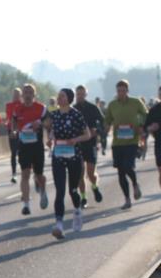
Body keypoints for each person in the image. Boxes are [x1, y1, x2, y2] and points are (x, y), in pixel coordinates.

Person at [47, 88, 91, 238]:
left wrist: (75, 140)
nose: (59, 98)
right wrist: (50, 138)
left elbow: (87, 135)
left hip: (74, 155)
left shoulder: (76, 115)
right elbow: (52, 130)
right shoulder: (54, 114)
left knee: (73, 189)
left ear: (69, 99)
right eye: (58, 96)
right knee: (59, 191)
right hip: (58, 155)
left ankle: (77, 211)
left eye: (62, 96)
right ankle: (59, 224)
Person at [104, 79, 148, 210]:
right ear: (116, 91)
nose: (121, 93)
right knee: (120, 172)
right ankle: (127, 199)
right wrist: (105, 130)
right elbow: (107, 120)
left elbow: (145, 114)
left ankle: (135, 184)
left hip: (132, 141)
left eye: (123, 90)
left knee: (128, 166)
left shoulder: (135, 102)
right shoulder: (112, 105)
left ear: (127, 91)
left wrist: (141, 126)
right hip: (117, 142)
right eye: (119, 91)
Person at [10, 84, 49, 215]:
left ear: (34, 95)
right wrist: (14, 131)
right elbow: (13, 122)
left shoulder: (41, 108)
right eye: (25, 92)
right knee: (25, 173)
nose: (27, 94)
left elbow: (49, 123)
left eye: (30, 92)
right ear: (22, 95)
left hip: (37, 146)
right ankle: (26, 204)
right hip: (24, 146)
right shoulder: (18, 109)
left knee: (39, 175)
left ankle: (43, 191)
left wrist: (41, 124)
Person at [73, 85, 104, 207]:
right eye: (78, 94)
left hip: (90, 143)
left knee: (91, 172)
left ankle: (95, 187)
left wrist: (97, 130)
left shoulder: (93, 108)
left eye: (82, 94)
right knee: (80, 173)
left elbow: (103, 122)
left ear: (86, 94)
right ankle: (84, 198)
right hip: (78, 144)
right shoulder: (73, 109)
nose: (80, 96)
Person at [5, 88, 22, 183]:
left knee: (21, 152)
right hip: (11, 130)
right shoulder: (9, 105)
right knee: (13, 152)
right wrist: (11, 128)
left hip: (22, 131)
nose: (16, 96)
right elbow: (9, 117)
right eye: (14, 94)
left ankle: (26, 169)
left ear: (21, 95)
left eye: (18, 94)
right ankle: (14, 174)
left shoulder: (23, 105)